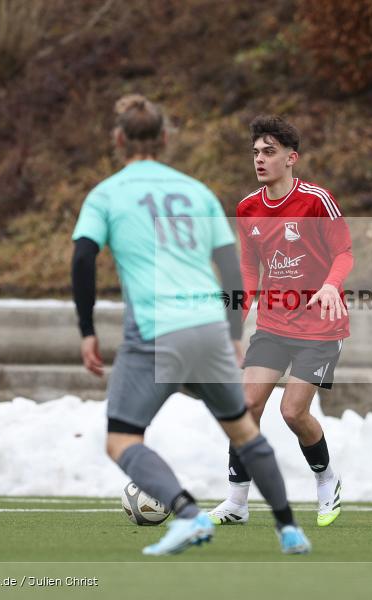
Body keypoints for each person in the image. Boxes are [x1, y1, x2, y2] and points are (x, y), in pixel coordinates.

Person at [71, 95, 310, 555]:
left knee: (122, 438)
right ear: (164, 139)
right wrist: (235, 332)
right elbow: (232, 266)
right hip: (208, 327)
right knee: (243, 430)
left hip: (158, 329)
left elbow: (83, 257)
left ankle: (187, 514)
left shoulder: (107, 193)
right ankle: (289, 529)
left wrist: (87, 329)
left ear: (119, 139)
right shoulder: (196, 191)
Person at [208, 115, 352, 528]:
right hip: (274, 324)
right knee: (247, 405)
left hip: (320, 328)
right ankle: (236, 501)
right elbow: (250, 267)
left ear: (292, 158)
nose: (260, 159)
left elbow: (344, 252)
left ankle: (326, 480)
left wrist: (329, 286)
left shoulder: (316, 201)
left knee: (292, 412)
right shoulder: (248, 209)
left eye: (269, 152)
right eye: (256, 152)